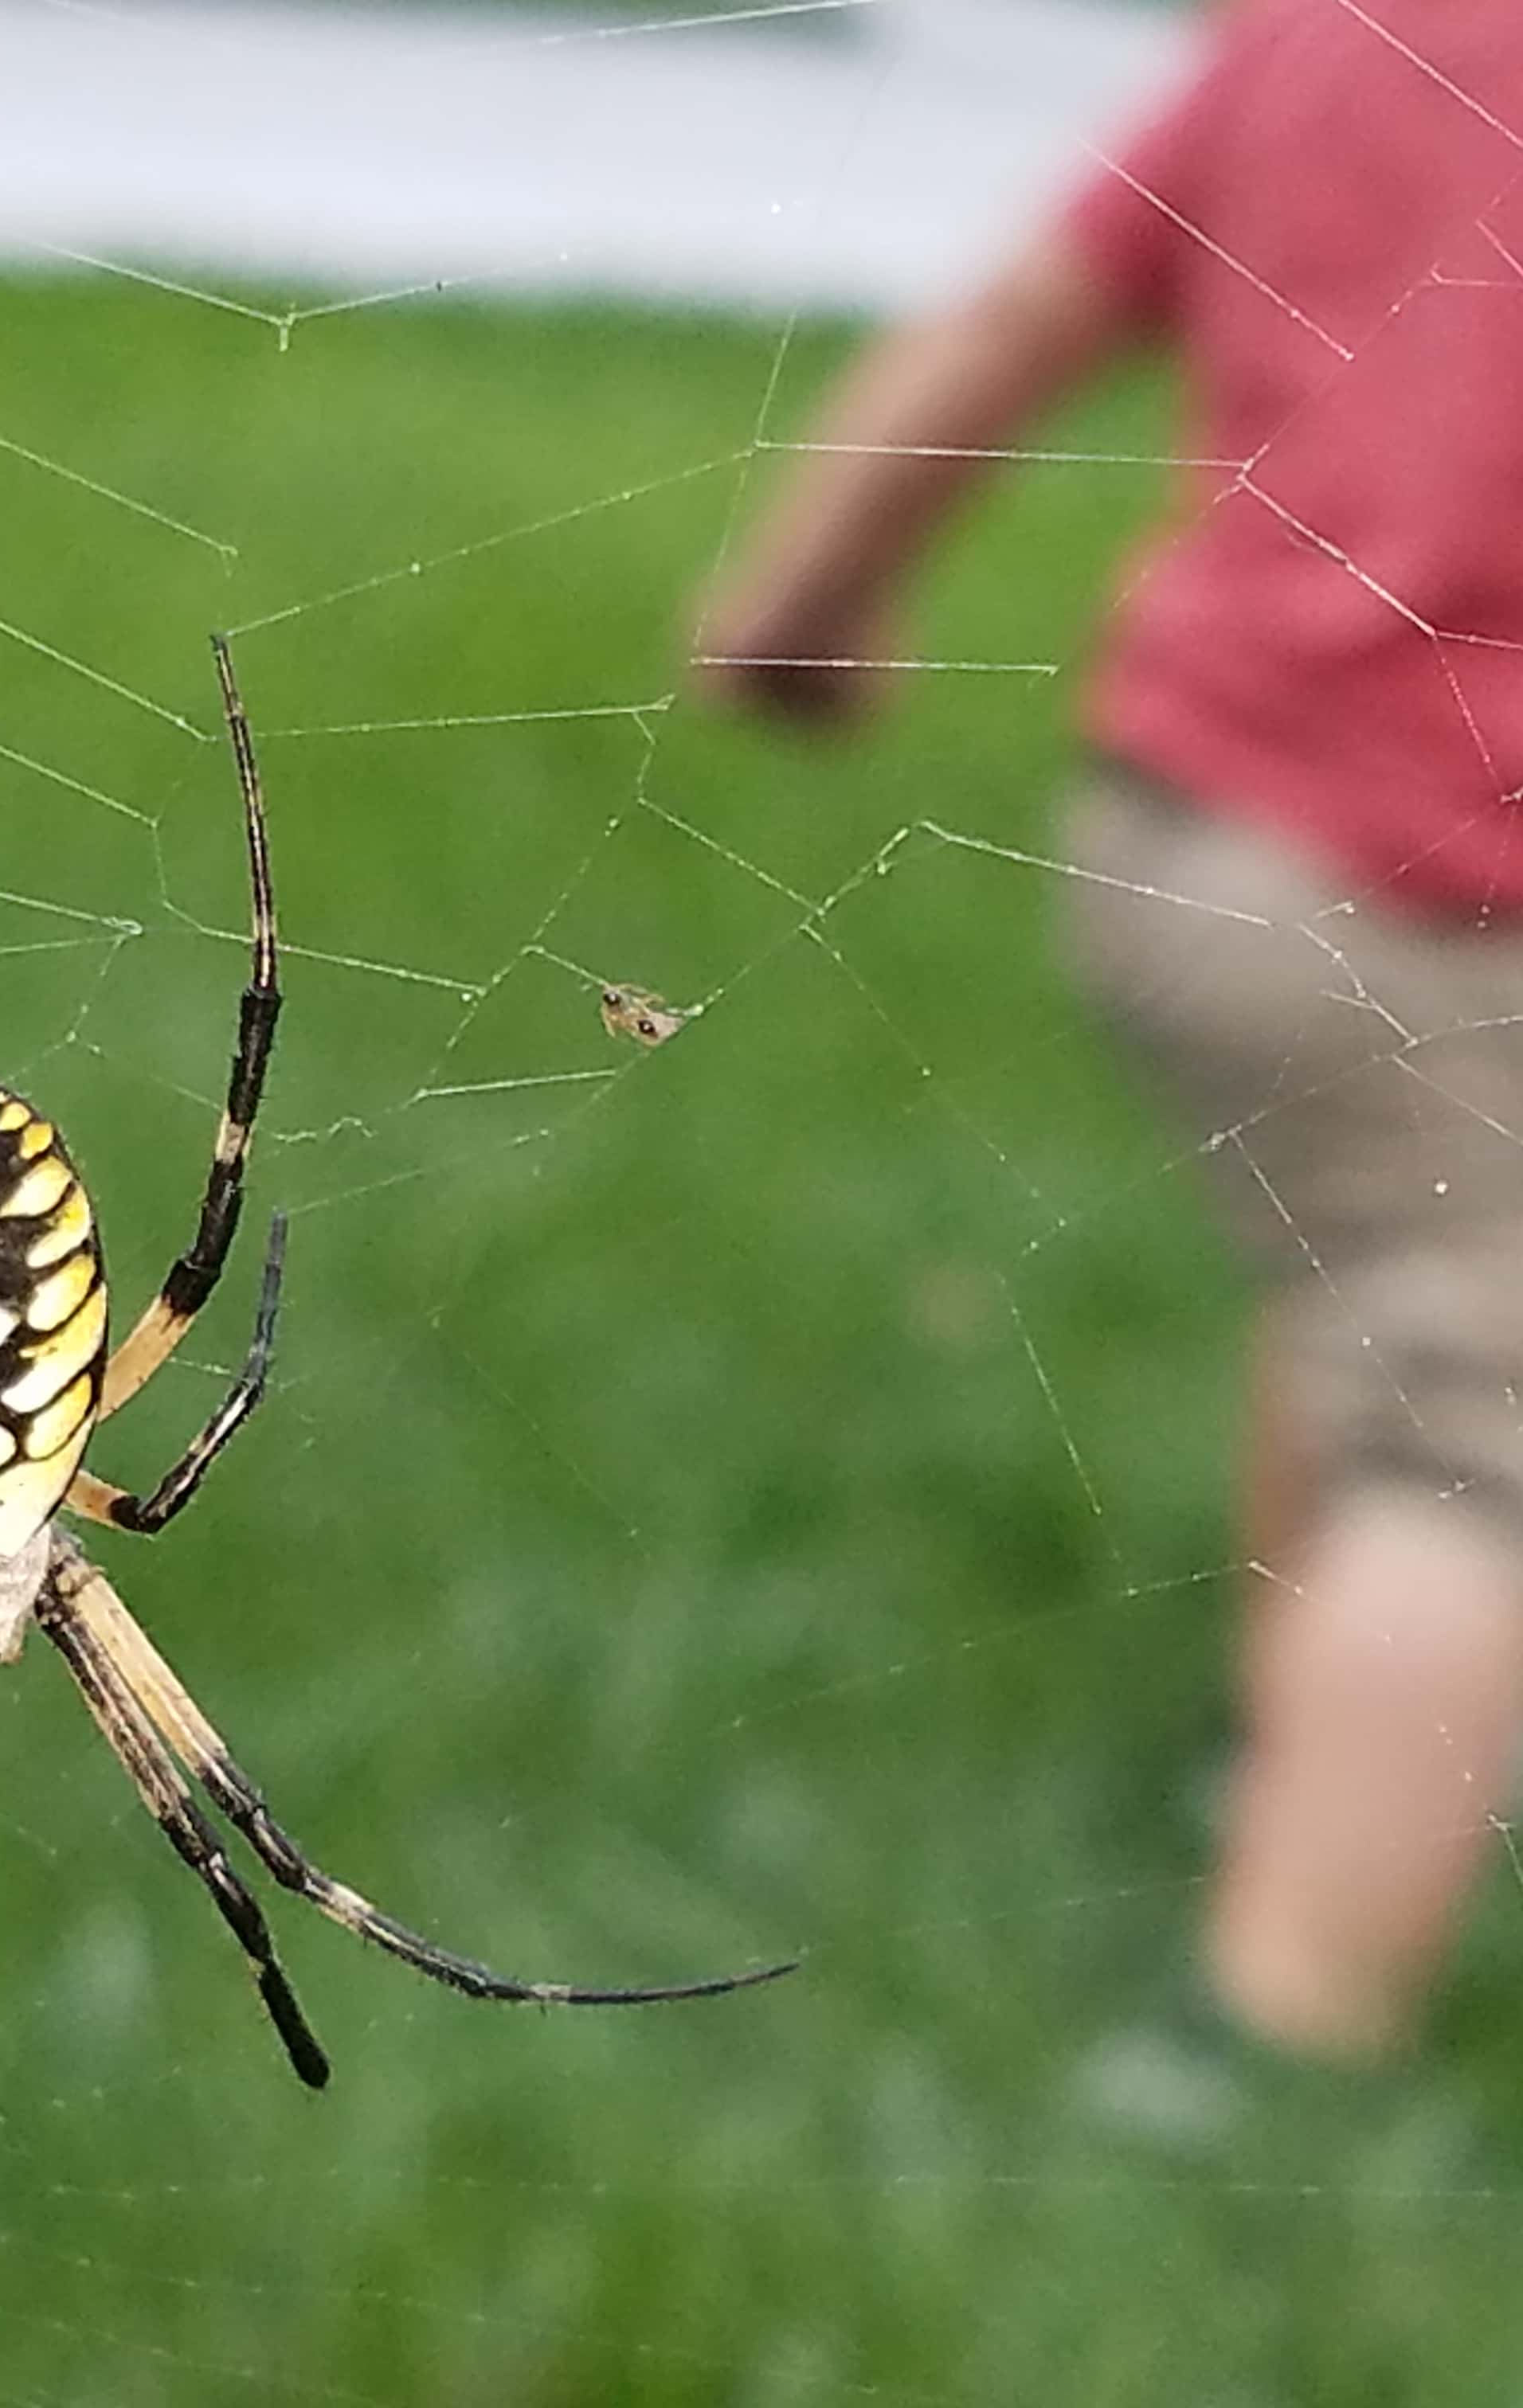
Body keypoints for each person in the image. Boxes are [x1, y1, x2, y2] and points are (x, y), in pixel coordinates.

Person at [692, 0, 1523, 2062]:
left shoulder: (1323, 44)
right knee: (1484, 1453)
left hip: (1189, 835)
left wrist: (797, 605)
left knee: (1373, 1253)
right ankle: (1271, 2050)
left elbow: (1003, 336)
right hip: (1421, 873)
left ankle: (1285, 1739)